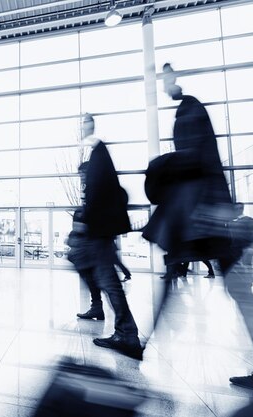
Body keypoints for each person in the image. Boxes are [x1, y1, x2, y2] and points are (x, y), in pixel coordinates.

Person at [143, 63, 253, 387]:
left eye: (164, 80)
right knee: (232, 285)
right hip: (206, 210)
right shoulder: (189, 109)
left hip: (202, 211)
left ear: (173, 79)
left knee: (205, 278)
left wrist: (161, 168)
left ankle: (139, 343)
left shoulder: (188, 110)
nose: (163, 86)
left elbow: (192, 159)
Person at [70, 114, 142, 360]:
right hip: (101, 232)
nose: (82, 130)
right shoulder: (98, 156)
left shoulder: (99, 154)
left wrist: (87, 221)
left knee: (109, 283)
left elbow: (100, 196)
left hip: (100, 232)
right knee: (107, 281)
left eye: (84, 125)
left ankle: (128, 334)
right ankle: (125, 331)